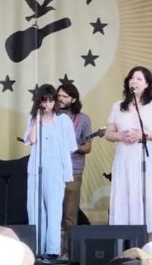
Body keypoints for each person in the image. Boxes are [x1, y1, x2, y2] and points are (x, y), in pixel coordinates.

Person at [105, 66, 152, 242]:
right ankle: (128, 247)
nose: (134, 81)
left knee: (150, 198)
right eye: (132, 77)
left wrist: (144, 134)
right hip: (125, 157)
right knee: (126, 197)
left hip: (147, 157)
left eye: (139, 78)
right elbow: (109, 134)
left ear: (147, 84)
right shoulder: (118, 106)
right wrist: (120, 135)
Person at [23, 84, 77, 259]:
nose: (48, 104)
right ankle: (37, 249)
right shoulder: (33, 119)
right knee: (35, 209)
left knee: (54, 209)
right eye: (44, 101)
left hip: (55, 170)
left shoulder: (63, 120)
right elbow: (31, 139)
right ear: (39, 102)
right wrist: (37, 118)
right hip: (36, 170)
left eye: (51, 100)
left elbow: (70, 147)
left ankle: (53, 250)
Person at [56, 83, 92, 256]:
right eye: (59, 96)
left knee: (70, 215)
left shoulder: (83, 119)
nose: (60, 99)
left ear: (73, 99)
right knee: (53, 213)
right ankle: (51, 250)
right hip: (53, 170)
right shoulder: (51, 115)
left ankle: (68, 253)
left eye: (64, 96)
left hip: (74, 171)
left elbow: (87, 147)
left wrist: (73, 146)